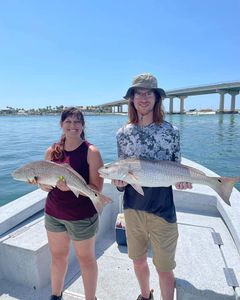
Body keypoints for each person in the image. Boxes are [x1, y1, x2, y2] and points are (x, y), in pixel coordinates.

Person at [112, 73, 192, 300]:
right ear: (132, 99)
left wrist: (182, 181)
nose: (143, 98)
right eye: (139, 93)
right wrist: (118, 184)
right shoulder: (122, 134)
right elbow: (122, 172)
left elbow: (175, 169)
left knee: (164, 267)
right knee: (137, 261)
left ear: (157, 98)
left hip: (163, 211)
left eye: (149, 93)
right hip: (132, 209)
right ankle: (145, 295)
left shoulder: (171, 132)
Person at [35, 107, 103, 300]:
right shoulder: (52, 151)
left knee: (86, 259)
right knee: (57, 257)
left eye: (77, 122)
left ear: (83, 125)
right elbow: (44, 183)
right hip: (54, 213)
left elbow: (96, 188)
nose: (72, 126)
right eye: (68, 122)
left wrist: (71, 188)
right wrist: (42, 185)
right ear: (61, 125)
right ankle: (56, 295)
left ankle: (91, 298)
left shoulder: (91, 152)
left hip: (81, 216)